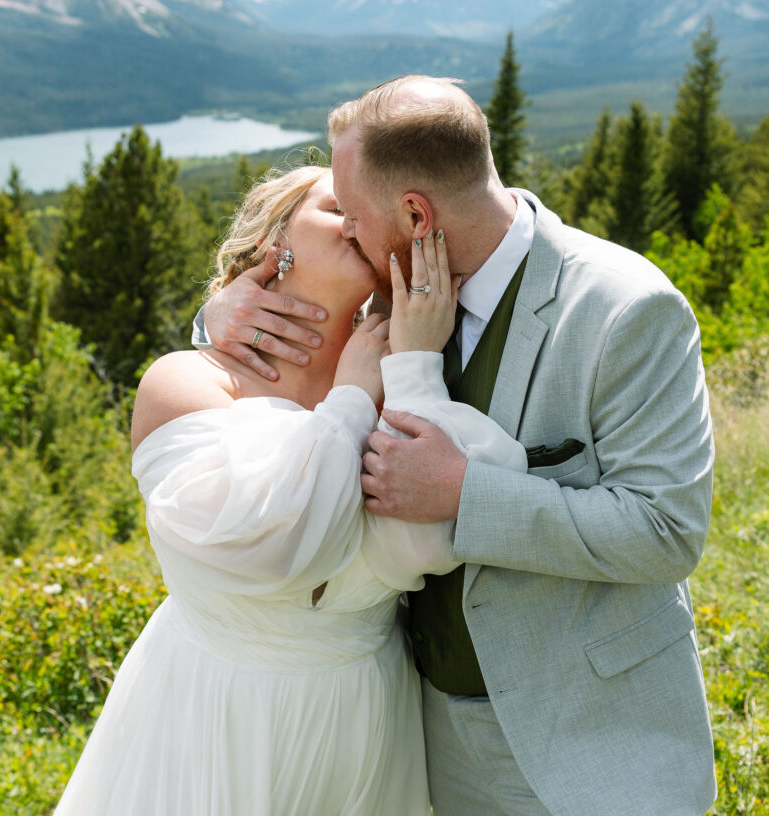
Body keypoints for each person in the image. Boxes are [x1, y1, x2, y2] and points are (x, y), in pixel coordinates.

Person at [200, 76, 717, 816]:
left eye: (352, 214)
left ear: (415, 212)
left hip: (589, 743)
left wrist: (463, 492)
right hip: (426, 740)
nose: (346, 231)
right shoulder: (379, 295)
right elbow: (279, 351)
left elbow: (664, 532)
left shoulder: (624, 308)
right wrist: (213, 316)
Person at [54, 164, 528, 816]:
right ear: (269, 241)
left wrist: (410, 372)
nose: (360, 221)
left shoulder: (413, 367)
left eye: (370, 211)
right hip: (219, 713)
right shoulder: (188, 382)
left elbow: (437, 533)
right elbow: (270, 544)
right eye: (338, 208)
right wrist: (353, 398)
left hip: (365, 713)